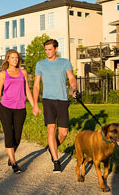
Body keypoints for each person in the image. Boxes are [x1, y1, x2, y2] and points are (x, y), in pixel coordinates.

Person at [32, 39, 77, 173]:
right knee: (51, 129)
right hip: (48, 100)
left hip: (62, 100)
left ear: (56, 49)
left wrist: (74, 89)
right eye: (46, 49)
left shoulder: (64, 62)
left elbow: (72, 78)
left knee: (63, 133)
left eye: (50, 49)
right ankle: (56, 162)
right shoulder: (40, 64)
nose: (47, 52)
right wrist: (35, 104)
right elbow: (36, 85)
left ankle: (52, 148)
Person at [0, 49, 34, 174]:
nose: (15, 60)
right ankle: (14, 163)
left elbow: (27, 90)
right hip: (5, 108)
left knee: (17, 137)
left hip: (20, 108)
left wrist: (34, 105)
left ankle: (11, 156)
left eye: (17, 58)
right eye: (12, 58)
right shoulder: (3, 74)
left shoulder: (23, 73)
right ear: (8, 59)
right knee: (9, 135)